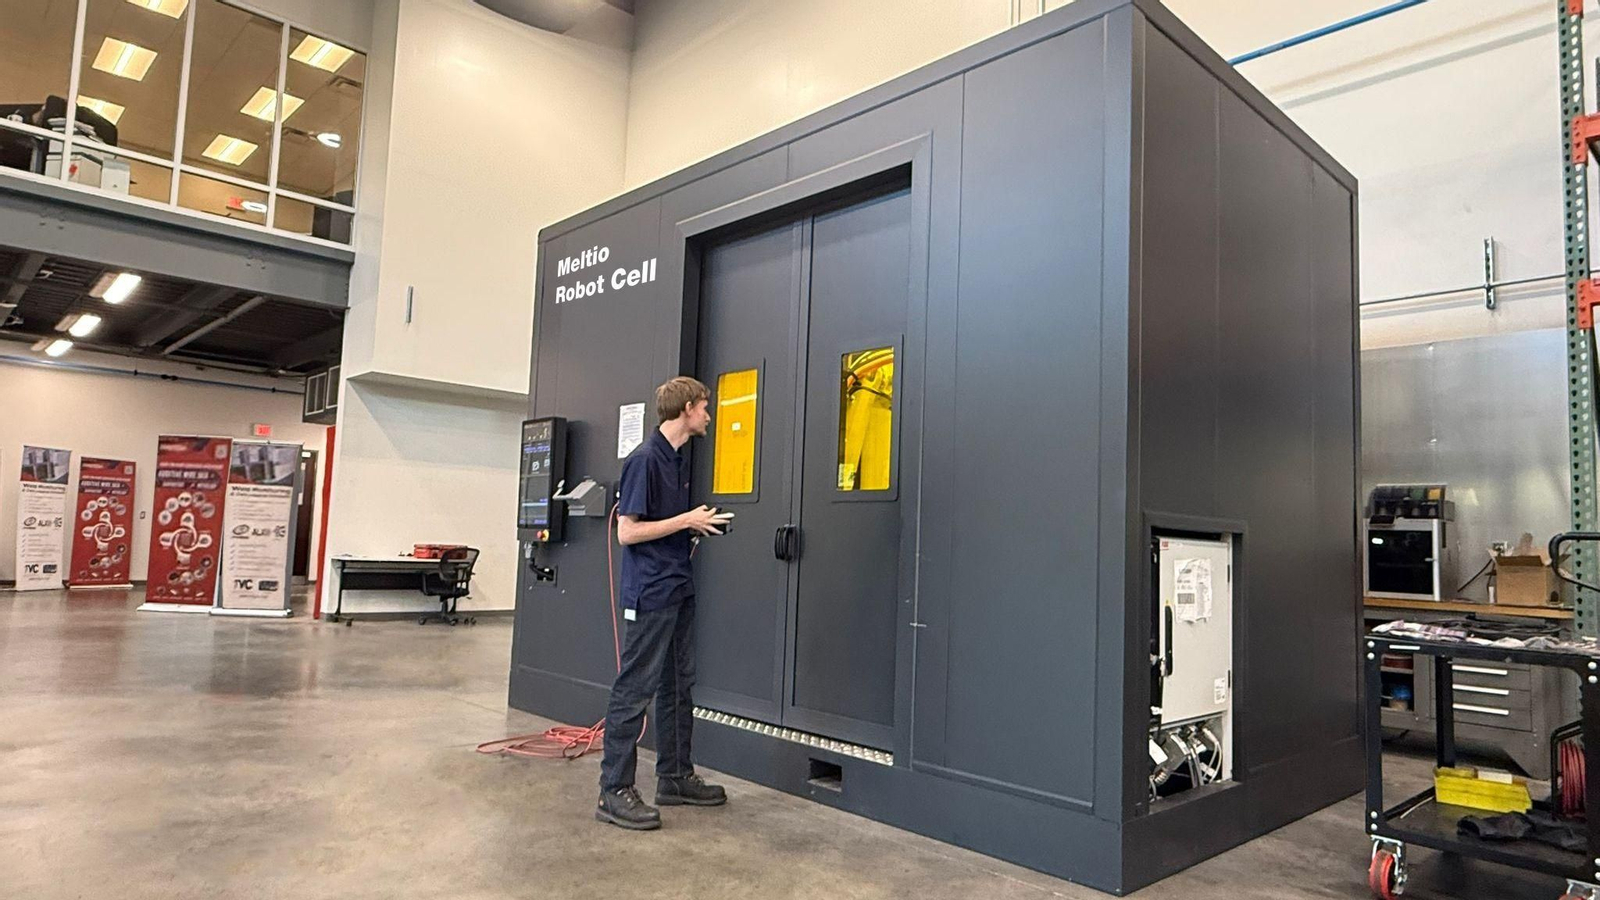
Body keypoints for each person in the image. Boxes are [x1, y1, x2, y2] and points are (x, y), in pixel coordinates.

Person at [596, 376, 730, 830]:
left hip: (677, 586)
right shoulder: (645, 461)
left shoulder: (676, 460)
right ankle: (613, 790)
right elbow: (627, 531)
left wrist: (694, 526)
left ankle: (674, 777)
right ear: (688, 408)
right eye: (705, 408)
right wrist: (684, 519)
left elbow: (661, 523)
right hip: (649, 592)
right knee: (635, 687)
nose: (709, 416)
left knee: (678, 685)